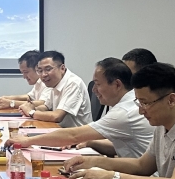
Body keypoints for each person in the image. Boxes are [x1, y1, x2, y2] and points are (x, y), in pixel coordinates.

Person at [12, 58, 152, 158]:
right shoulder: (128, 103)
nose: (94, 90)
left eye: (98, 84)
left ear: (117, 85)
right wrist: (89, 142)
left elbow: (72, 135)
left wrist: (28, 141)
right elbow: (121, 147)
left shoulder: (124, 112)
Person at [19, 50, 91, 127]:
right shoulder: (54, 83)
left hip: (75, 133)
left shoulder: (73, 83)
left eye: (48, 69)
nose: (43, 75)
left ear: (62, 68)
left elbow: (57, 116)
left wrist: (31, 112)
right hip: (59, 129)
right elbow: (46, 107)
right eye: (40, 70)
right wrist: (32, 108)